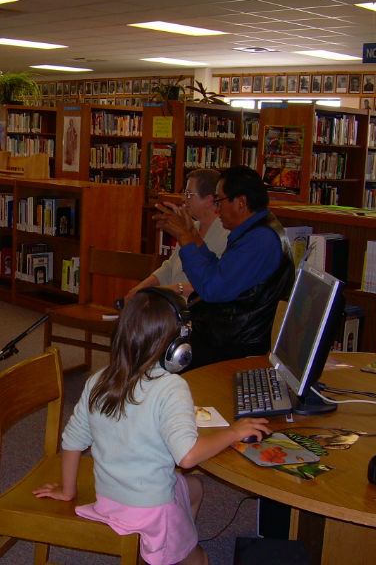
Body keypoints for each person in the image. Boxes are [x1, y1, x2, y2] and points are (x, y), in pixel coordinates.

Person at [33, 289, 270, 565]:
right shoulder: (171, 387)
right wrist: (233, 432)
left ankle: (168, 548)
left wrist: (68, 490)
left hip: (109, 500)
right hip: (153, 510)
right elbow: (188, 456)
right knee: (202, 560)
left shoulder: (98, 379)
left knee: (194, 488)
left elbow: (72, 440)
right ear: (175, 347)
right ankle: (173, 549)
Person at [154, 166, 294, 369]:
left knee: (158, 353)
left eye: (219, 201)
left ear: (241, 203)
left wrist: (185, 238)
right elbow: (218, 272)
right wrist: (192, 234)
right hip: (230, 331)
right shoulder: (257, 231)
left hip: (236, 343)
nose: (217, 209)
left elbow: (212, 289)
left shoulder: (260, 240)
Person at [126, 169, 228, 302]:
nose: (184, 199)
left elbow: (217, 285)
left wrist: (167, 290)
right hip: (172, 303)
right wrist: (140, 288)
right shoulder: (191, 227)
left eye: (189, 194)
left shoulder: (227, 235)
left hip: (196, 309)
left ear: (209, 200)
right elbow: (170, 267)